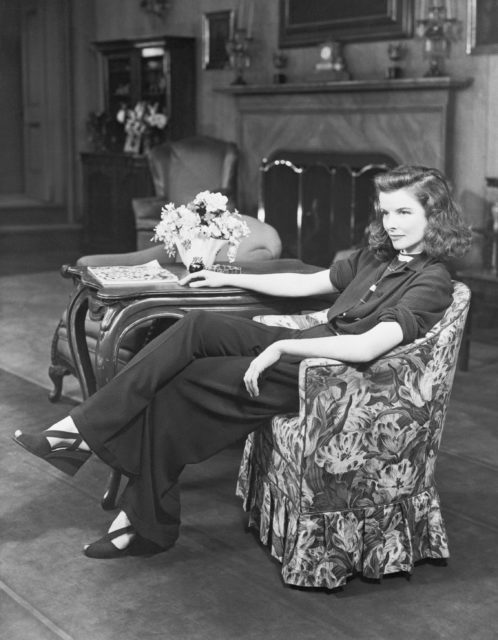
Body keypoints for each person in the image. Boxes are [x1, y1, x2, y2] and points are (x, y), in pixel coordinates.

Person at [13, 165, 472, 559]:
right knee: (196, 326)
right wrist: (217, 275)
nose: (391, 223)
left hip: (328, 376)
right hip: (309, 345)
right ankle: (82, 439)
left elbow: (369, 347)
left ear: (434, 215)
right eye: (386, 211)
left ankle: (138, 516)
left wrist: (283, 347)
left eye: (405, 212)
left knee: (181, 384)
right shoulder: (378, 257)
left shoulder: (432, 281)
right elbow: (307, 283)